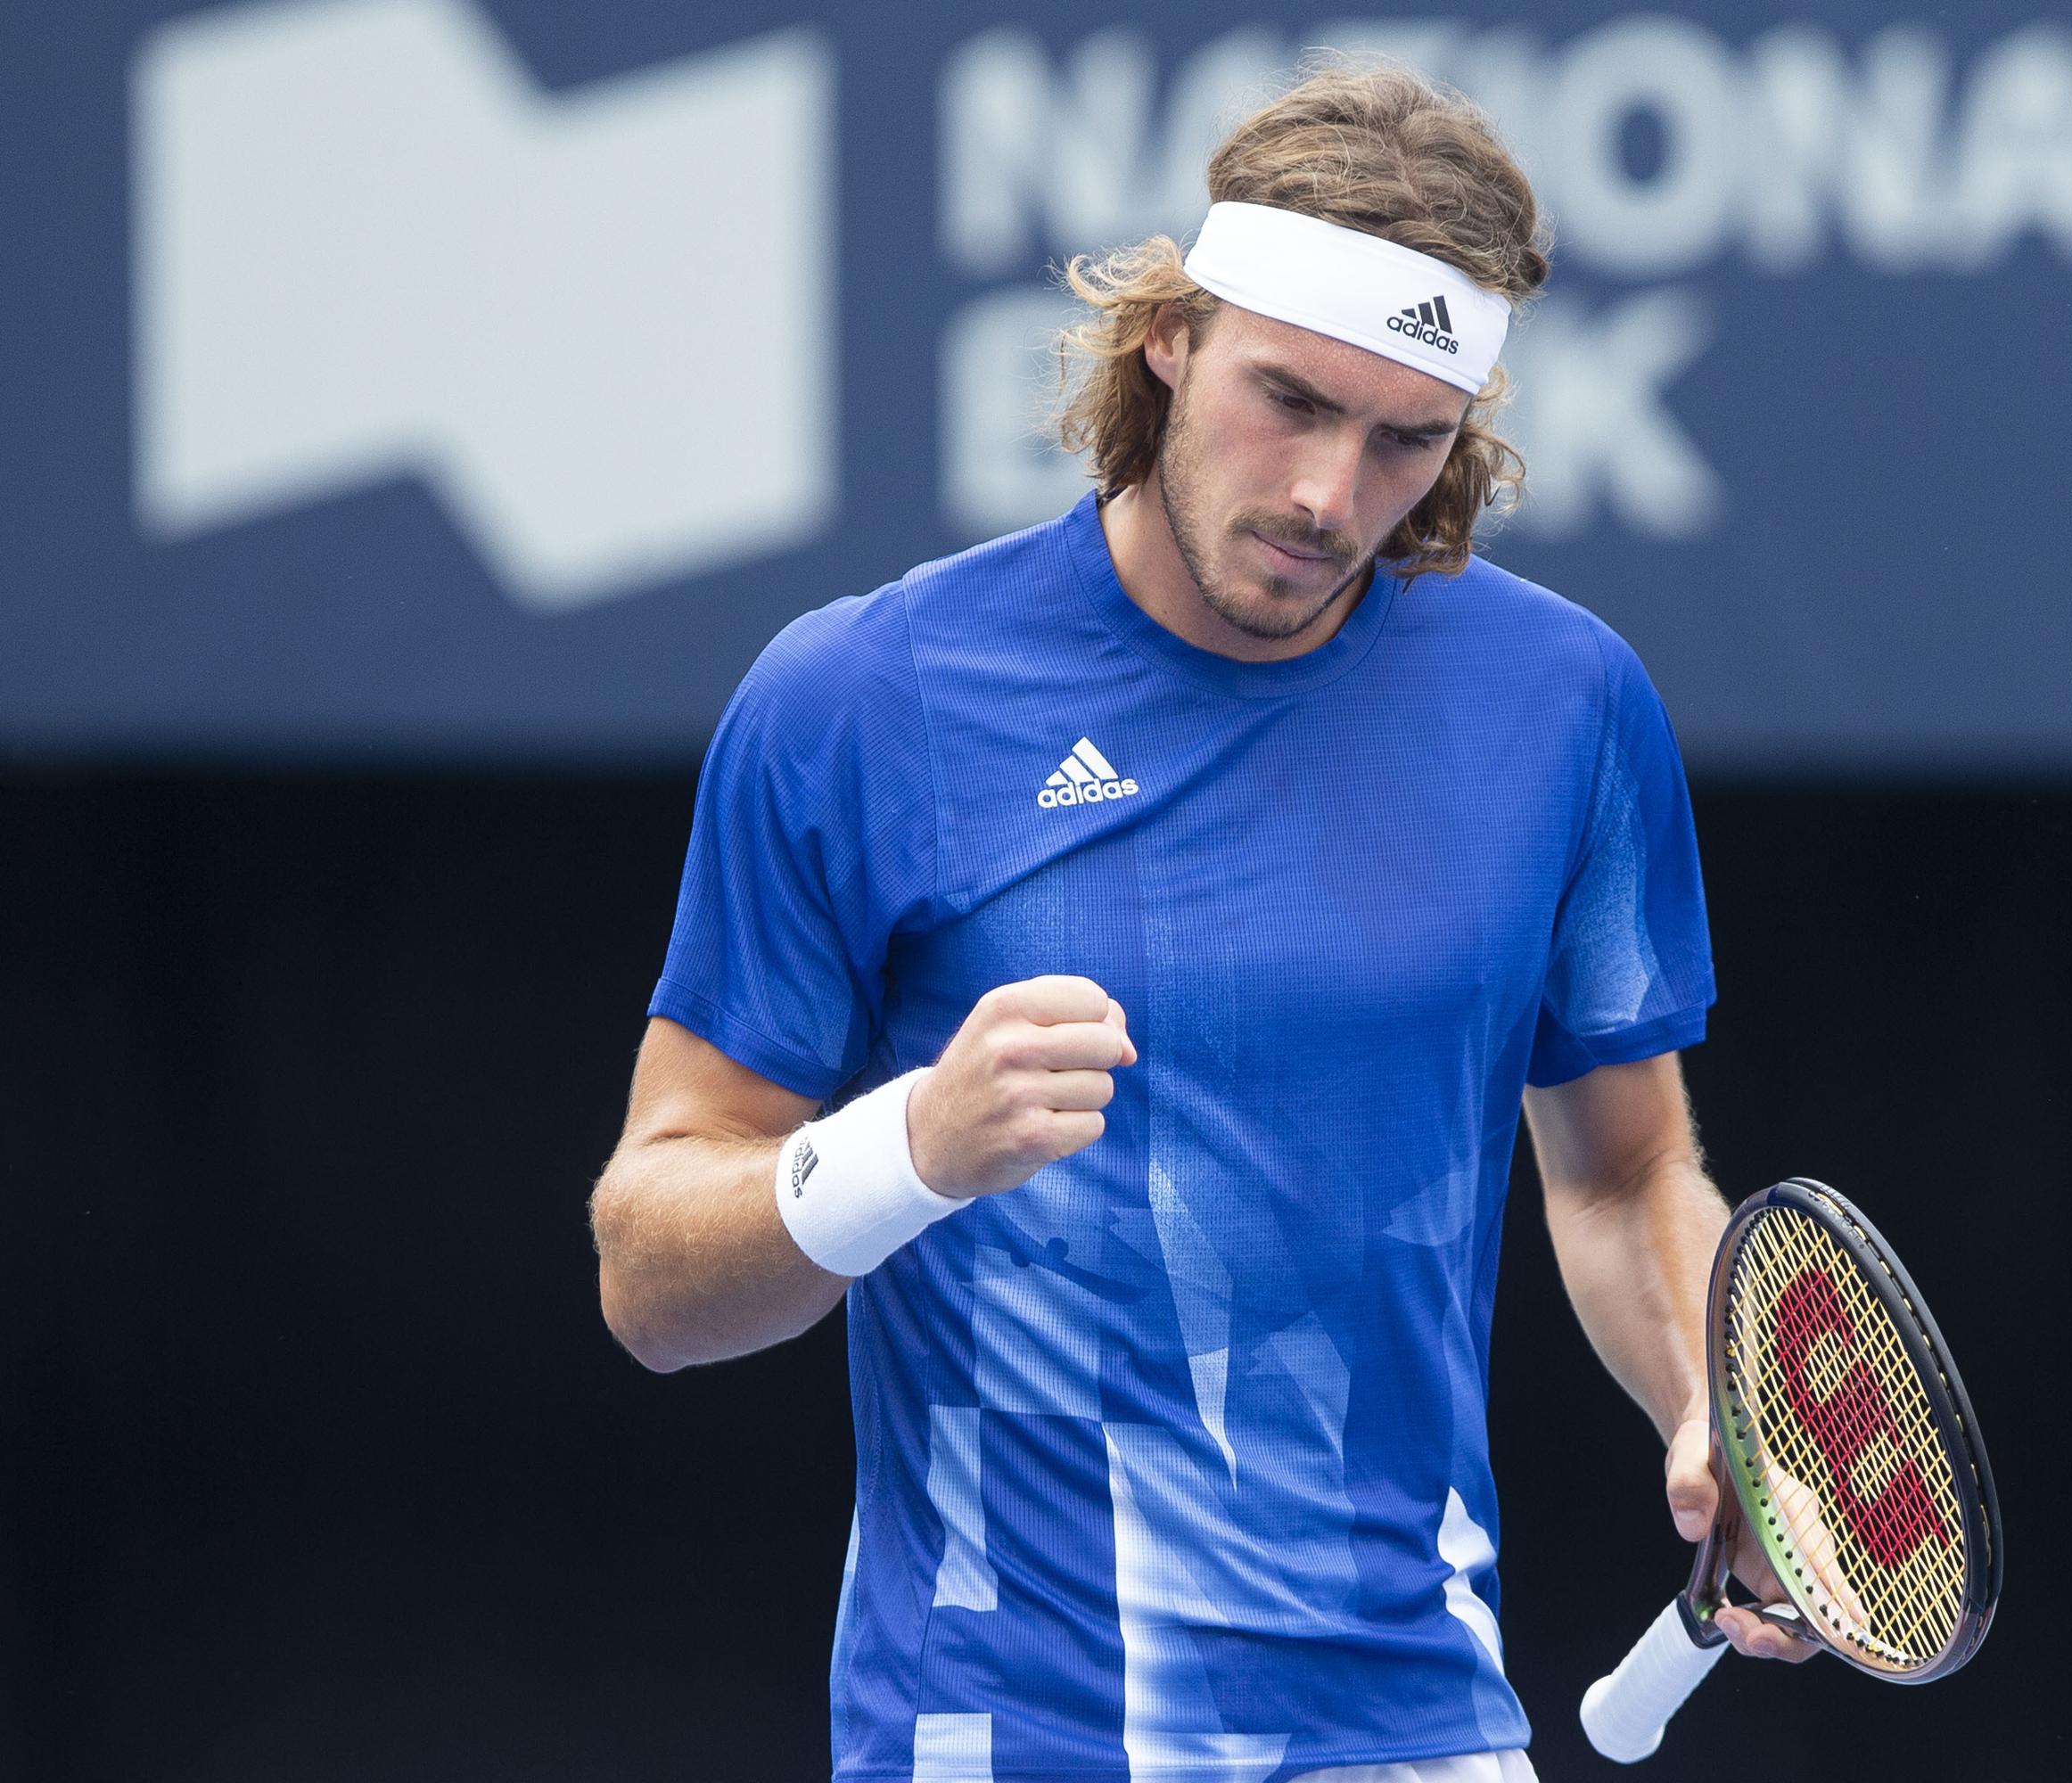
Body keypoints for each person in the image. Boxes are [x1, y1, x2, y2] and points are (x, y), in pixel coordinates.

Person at [588, 58, 1802, 1782]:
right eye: (1287, 399)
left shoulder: (1567, 705)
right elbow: (650, 1279)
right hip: (996, 1735)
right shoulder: (865, 695)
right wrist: (913, 1146)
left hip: (1419, 1727)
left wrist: (1716, 1408)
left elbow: (1619, 1173)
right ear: (1169, 337)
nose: (1328, 493)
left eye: (1407, 438)